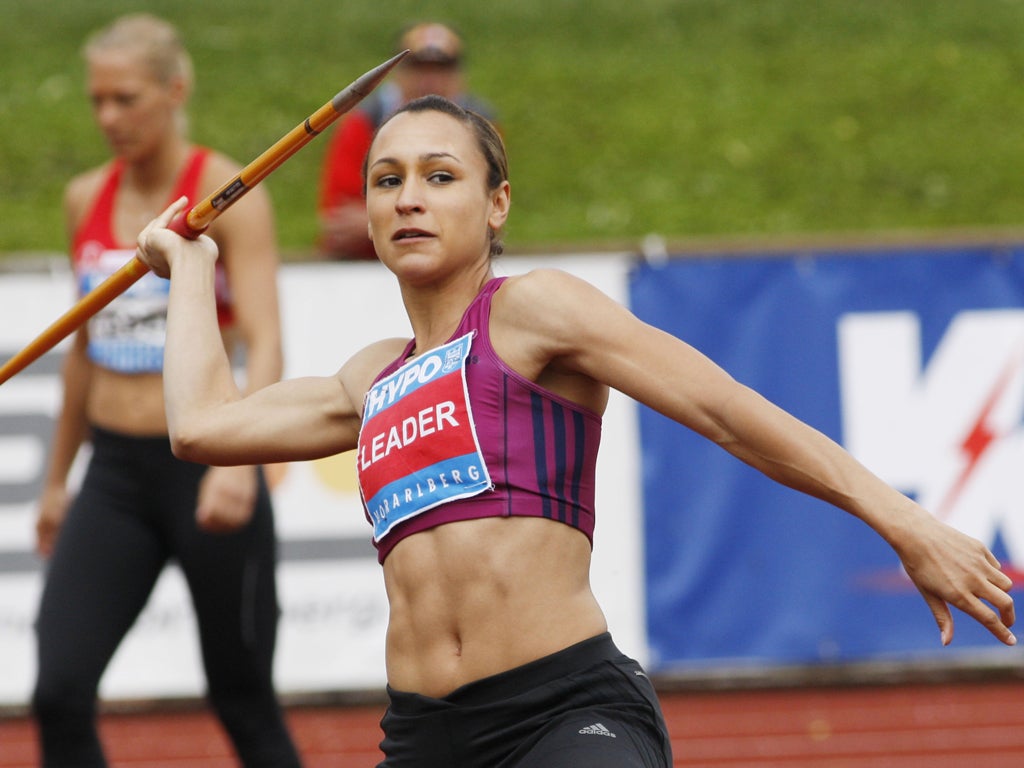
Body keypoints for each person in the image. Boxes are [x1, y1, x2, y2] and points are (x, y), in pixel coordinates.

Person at [135, 95, 1016, 767]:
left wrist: (904, 520)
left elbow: (728, 410)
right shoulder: (373, 376)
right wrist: (188, 267)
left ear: (497, 206)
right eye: (387, 179)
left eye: (441, 177)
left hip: (561, 715)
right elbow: (203, 423)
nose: (409, 199)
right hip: (423, 735)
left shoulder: (533, 315)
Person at [30, 14, 302, 768]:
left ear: (174, 90)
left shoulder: (228, 191)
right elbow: (83, 350)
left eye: (126, 99)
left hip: (206, 468)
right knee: (58, 691)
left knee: (243, 701)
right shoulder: (86, 196)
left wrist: (240, 462)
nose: (109, 118)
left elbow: (265, 336)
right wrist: (57, 483)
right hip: (114, 477)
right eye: (98, 101)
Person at [316, 21, 496, 260]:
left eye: (442, 69)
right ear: (397, 73)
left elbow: (490, 217)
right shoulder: (363, 124)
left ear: (459, 75)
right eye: (419, 68)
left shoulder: (482, 125)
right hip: (366, 267)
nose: (430, 80)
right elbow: (339, 224)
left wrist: (379, 218)